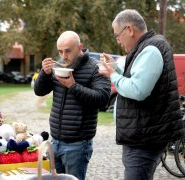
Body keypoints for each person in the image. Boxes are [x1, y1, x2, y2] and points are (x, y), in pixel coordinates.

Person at [99, 9, 184, 180]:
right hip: (141, 136)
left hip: (144, 140)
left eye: (117, 35)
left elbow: (138, 90)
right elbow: (135, 77)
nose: (118, 41)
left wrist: (112, 75)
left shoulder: (151, 50)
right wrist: (115, 67)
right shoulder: (147, 47)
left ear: (129, 29)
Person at [34, 31, 111, 180]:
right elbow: (39, 91)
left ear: (80, 47)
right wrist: (45, 73)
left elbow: (102, 99)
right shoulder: (59, 65)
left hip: (78, 145)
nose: (63, 55)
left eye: (68, 50)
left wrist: (73, 86)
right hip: (55, 141)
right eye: (60, 51)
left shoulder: (95, 68)